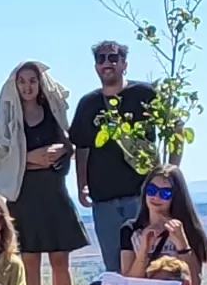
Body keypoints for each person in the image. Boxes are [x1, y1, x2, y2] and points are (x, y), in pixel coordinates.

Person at [0, 60, 86, 285]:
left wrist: (61, 149)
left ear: (40, 84)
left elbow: (70, 142)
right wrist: (29, 157)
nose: (27, 87)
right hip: (24, 197)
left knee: (61, 261)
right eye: (22, 81)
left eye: (32, 81)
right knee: (30, 262)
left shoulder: (53, 112)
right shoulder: (7, 118)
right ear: (14, 84)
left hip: (54, 192)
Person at [68, 41, 162, 265]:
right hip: (104, 201)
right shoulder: (88, 104)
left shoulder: (145, 94)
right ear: (95, 67)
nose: (106, 63)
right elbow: (81, 147)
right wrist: (82, 185)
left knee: (151, 263)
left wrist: (171, 171)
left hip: (142, 197)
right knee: (114, 266)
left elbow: (173, 129)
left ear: (124, 64)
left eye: (112, 58)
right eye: (101, 59)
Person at [120, 167, 207, 281]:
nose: (156, 197)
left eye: (165, 193)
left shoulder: (189, 230)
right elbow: (129, 283)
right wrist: (143, 252)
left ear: (176, 197)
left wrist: (182, 245)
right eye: (151, 190)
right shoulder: (131, 230)